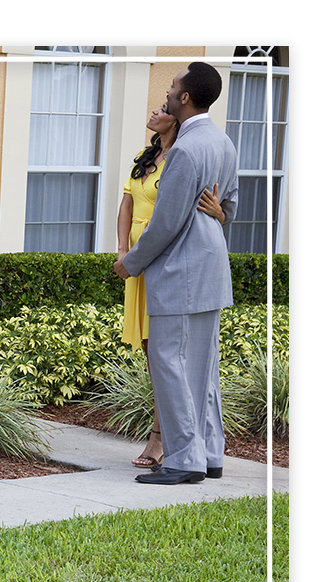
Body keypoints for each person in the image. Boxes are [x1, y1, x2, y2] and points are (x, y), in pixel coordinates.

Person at [114, 62, 238, 485]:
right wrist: (219, 214)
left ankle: (184, 460)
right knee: (202, 370)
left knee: (170, 364)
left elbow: (166, 222)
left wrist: (130, 262)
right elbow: (230, 209)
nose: (166, 93)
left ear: (185, 98)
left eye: (171, 87)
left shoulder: (185, 150)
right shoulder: (223, 142)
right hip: (211, 271)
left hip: (181, 275)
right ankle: (210, 453)